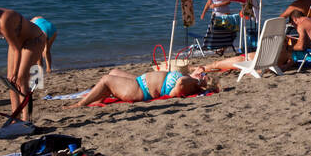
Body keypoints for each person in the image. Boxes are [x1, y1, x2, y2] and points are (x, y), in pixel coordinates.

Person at [0, 2, 47, 122]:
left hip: (34, 40)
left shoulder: (3, 20)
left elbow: (16, 50)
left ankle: (26, 119)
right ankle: (15, 118)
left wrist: (15, 72)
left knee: (20, 78)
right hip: (16, 43)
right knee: (10, 81)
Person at [70, 67, 215, 107]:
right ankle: (100, 98)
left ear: (202, 84)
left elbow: (180, 84)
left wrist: (198, 82)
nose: (201, 74)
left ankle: (80, 104)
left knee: (106, 79)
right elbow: (195, 68)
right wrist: (198, 73)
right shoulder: (191, 78)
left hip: (141, 90)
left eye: (204, 76)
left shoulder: (188, 85)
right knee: (114, 72)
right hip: (139, 80)